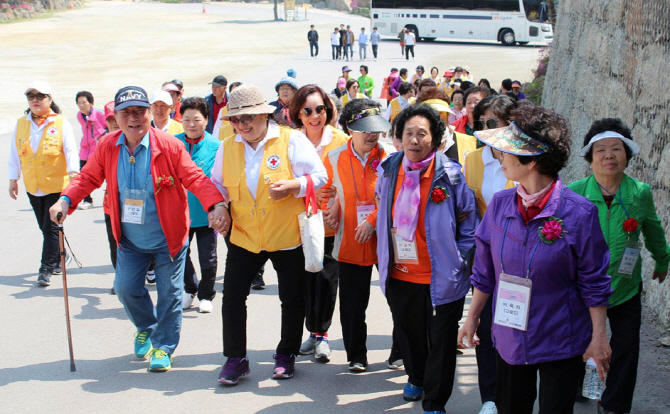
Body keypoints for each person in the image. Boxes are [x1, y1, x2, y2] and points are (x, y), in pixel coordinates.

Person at [49, 86, 228, 372]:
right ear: (116, 117)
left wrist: (216, 204)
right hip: (130, 238)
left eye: (139, 111)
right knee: (125, 288)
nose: (134, 118)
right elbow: (87, 177)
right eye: (126, 112)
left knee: (169, 294)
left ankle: (163, 347)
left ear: (149, 113)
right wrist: (65, 200)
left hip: (168, 237)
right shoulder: (108, 145)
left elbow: (194, 177)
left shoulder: (169, 145)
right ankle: (146, 325)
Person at [458, 104, 612, 414]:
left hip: (561, 336)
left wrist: (599, 338)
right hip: (510, 333)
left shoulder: (579, 213)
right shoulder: (500, 205)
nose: (500, 156)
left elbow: (594, 282)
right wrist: (472, 316)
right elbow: (485, 271)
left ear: (532, 161)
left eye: (507, 151)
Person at [211, 84, 328, 385]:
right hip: (244, 236)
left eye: (249, 117)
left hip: (285, 234)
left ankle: (286, 353)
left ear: (265, 115)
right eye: (237, 119)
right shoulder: (227, 146)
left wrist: (294, 186)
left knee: (292, 298)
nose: (243, 124)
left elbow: (320, 176)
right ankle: (235, 358)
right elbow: (218, 185)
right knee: (233, 297)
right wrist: (220, 207)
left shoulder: (291, 140)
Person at [376, 103, 478, 413]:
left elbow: (469, 225)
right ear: (399, 137)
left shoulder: (451, 175)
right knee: (409, 334)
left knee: (442, 343)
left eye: (422, 134)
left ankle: (435, 401)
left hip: (441, 274)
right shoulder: (388, 169)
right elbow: (381, 207)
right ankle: (416, 377)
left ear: (434, 139)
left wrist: (458, 261)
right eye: (408, 133)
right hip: (400, 273)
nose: (414, 140)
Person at [569, 118, 669, 414]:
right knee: (580, 342)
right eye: (601, 150)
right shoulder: (574, 193)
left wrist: (662, 260)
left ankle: (614, 405)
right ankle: (579, 385)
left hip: (626, 285)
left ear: (627, 155)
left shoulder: (640, 192)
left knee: (626, 348)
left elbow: (653, 229)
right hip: (583, 287)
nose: (609, 155)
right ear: (590, 158)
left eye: (616, 149)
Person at [320, 99, 391, 371]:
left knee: (398, 301)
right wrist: (331, 208)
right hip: (350, 240)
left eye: (375, 129)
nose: (371, 135)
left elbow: (396, 198)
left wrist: (373, 220)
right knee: (351, 305)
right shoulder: (335, 157)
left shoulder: (391, 157)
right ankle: (356, 356)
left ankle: (399, 351)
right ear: (350, 128)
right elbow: (327, 191)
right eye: (364, 129)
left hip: (386, 242)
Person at [462, 95, 518, 414]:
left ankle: (512, 391)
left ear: (511, 124)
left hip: (519, 258)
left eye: (493, 123)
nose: (485, 129)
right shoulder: (473, 160)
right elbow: (468, 209)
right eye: (480, 124)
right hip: (485, 257)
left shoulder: (524, 158)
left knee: (512, 322)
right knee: (483, 324)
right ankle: (490, 398)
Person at [288, 85, 349, 364]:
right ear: (298, 113)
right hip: (296, 222)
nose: (315, 116)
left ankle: (322, 335)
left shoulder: (340, 140)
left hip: (329, 221)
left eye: (320, 109)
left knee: (325, 279)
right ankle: (310, 332)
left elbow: (350, 180)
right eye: (308, 110)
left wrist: (336, 204)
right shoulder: (289, 140)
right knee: (303, 280)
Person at [8, 81, 80, 286]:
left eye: (40, 96)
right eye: (31, 97)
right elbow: (14, 153)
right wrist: (13, 179)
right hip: (33, 185)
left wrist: (75, 175)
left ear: (50, 99)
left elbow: (70, 150)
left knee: (49, 228)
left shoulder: (60, 122)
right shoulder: (22, 123)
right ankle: (58, 256)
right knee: (44, 226)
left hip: (56, 184)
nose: (35, 100)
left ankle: (45, 269)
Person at [174, 97, 221, 314]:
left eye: (196, 119)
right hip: (178, 214)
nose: (191, 124)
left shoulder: (216, 146)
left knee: (208, 258)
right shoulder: (172, 143)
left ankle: (206, 295)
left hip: (205, 214)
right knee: (179, 255)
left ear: (206, 120)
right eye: (186, 119)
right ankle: (189, 288)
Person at [75, 90, 106, 210]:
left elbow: (109, 127)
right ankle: (87, 200)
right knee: (83, 176)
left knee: (108, 176)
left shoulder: (100, 114)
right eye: (79, 103)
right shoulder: (79, 115)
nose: (82, 105)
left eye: (84, 102)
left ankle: (112, 197)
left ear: (91, 103)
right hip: (85, 151)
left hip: (98, 151)